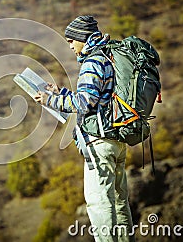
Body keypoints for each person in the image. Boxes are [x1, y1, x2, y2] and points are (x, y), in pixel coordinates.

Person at [34, 15, 135, 242]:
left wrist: (50, 101)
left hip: (98, 142)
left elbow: (84, 102)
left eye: (71, 40)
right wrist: (61, 94)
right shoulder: (108, 57)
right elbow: (99, 99)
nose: (69, 45)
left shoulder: (92, 62)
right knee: (119, 202)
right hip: (115, 140)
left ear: (82, 37)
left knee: (99, 202)